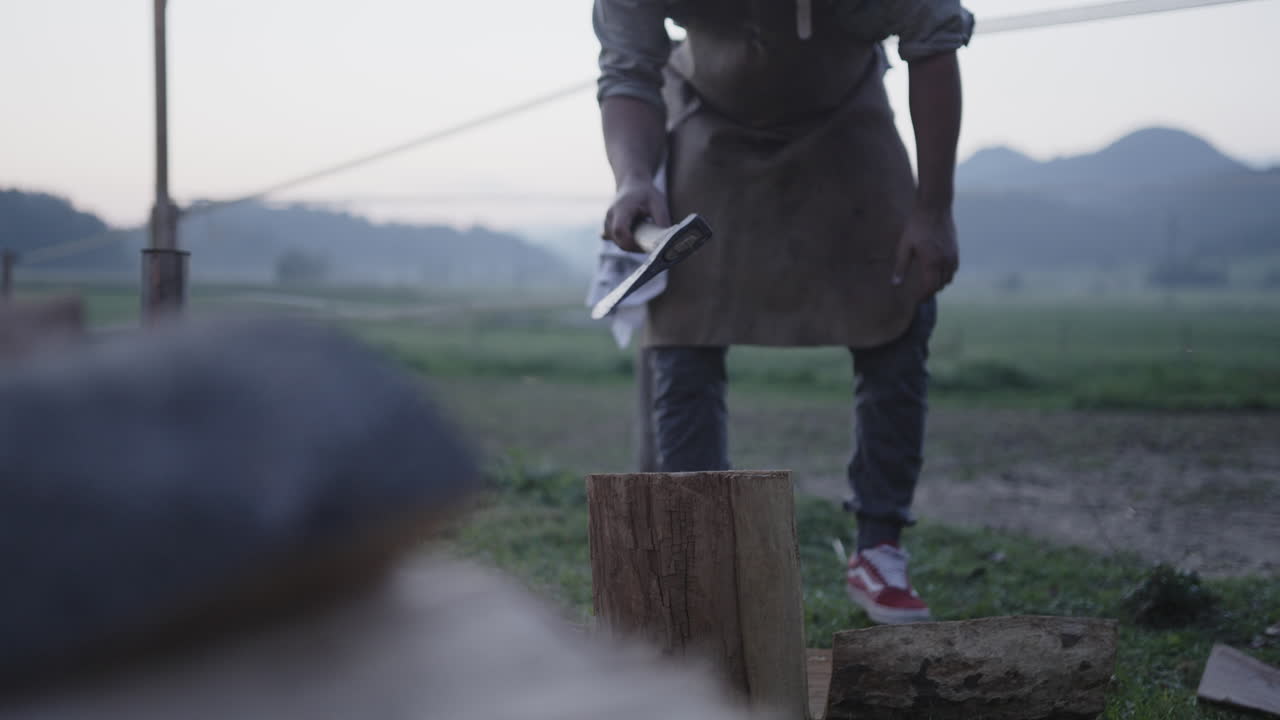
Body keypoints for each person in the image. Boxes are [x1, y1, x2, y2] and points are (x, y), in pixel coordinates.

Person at [592, 0, 973, 624]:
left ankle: (879, 549)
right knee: (683, 331)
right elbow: (629, 70)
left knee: (899, 307)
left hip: (847, 118)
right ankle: (702, 551)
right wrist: (634, 176)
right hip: (704, 122)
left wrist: (933, 211)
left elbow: (934, 41)